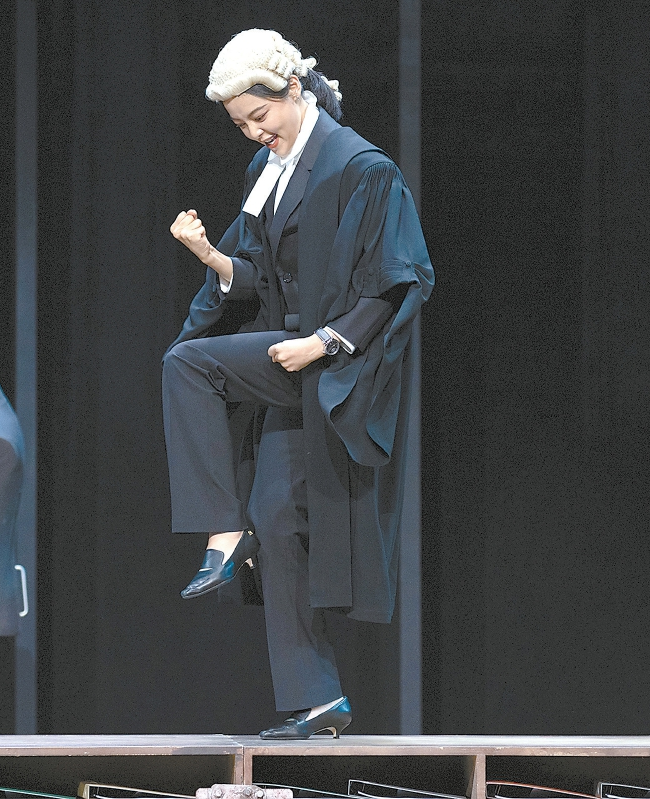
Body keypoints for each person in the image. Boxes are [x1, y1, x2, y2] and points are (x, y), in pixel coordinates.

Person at [162, 29, 434, 739]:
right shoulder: (268, 169)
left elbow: (398, 281)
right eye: (241, 126)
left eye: (260, 116)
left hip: (330, 361)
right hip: (288, 356)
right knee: (278, 516)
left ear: (292, 90)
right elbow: (257, 275)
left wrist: (325, 340)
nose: (255, 133)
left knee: (188, 366)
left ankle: (225, 532)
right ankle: (320, 700)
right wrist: (211, 255)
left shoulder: (359, 168)